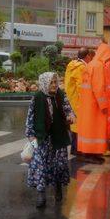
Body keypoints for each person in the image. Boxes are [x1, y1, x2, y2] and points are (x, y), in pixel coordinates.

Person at [25, 72, 75, 208]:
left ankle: (58, 187)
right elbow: (30, 119)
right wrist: (31, 137)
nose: (54, 85)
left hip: (58, 137)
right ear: (44, 83)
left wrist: (70, 116)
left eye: (55, 82)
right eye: (51, 82)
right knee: (41, 166)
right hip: (42, 138)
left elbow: (69, 110)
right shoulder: (37, 98)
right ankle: (41, 195)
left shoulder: (60, 95)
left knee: (59, 165)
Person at [78, 43, 110, 161]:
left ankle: (89, 152)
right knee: (95, 131)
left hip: (87, 104)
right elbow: (98, 88)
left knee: (88, 130)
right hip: (95, 105)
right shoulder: (98, 66)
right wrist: (103, 105)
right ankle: (92, 153)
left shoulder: (90, 64)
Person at [64, 48, 93, 154]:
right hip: (78, 100)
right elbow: (82, 86)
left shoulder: (72, 64)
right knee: (78, 125)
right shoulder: (81, 68)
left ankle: (74, 148)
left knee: (75, 124)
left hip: (72, 98)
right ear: (87, 56)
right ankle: (76, 149)